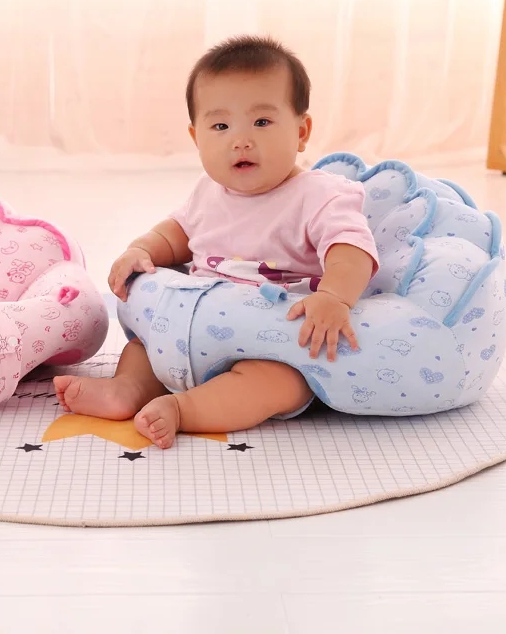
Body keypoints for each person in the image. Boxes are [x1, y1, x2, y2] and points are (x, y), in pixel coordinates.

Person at [54, 35, 379, 448]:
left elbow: (351, 251)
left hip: (266, 340)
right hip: (194, 327)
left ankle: (183, 409)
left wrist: (334, 295)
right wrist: (141, 249)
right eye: (220, 126)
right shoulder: (208, 193)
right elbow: (174, 234)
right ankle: (127, 390)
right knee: (144, 347)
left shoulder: (321, 195)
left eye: (262, 122)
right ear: (196, 138)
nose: (240, 139)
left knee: (279, 383)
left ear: (302, 131)